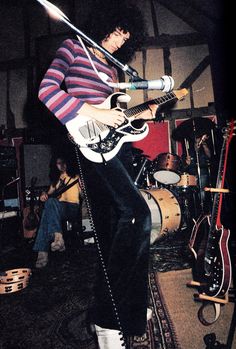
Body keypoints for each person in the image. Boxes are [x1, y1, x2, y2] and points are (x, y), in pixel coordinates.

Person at [38, 2, 158, 347]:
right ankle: (107, 320)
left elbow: (114, 113)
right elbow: (47, 92)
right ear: (103, 24)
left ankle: (130, 310)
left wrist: (139, 116)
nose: (119, 42)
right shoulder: (72, 48)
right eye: (117, 32)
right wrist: (94, 112)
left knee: (112, 231)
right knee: (137, 215)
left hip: (112, 145)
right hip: (85, 143)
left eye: (125, 38)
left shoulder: (115, 70)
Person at [33, 156, 81, 268]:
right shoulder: (57, 179)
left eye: (63, 163)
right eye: (58, 163)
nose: (61, 165)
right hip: (58, 208)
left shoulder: (77, 177)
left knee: (49, 208)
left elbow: (85, 194)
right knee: (49, 204)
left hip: (72, 207)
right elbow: (48, 193)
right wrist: (44, 195)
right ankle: (58, 238)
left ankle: (42, 252)